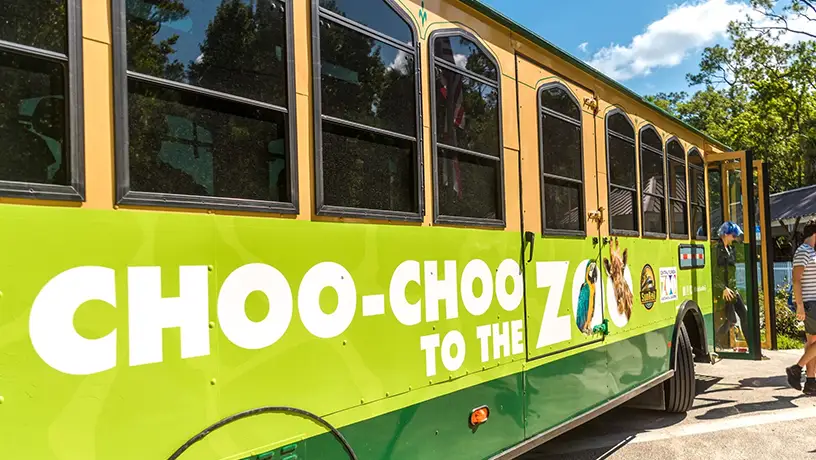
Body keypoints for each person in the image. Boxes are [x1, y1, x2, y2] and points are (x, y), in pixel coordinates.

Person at [785, 220, 816, 394]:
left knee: (811, 342)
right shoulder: (803, 252)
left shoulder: (810, 252)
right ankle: (796, 368)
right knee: (812, 342)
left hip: (813, 302)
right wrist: (800, 306)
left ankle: (811, 382)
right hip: (811, 303)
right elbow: (796, 280)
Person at [713, 221, 748, 349]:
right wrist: (722, 288)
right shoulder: (716, 250)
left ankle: (752, 346)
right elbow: (713, 272)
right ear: (725, 235)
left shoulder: (730, 249)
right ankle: (715, 340)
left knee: (744, 315)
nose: (734, 239)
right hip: (724, 291)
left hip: (732, 289)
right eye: (733, 236)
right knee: (731, 319)